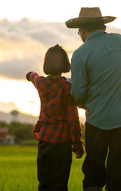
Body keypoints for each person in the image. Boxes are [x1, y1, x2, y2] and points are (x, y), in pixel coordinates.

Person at [65, 7, 121, 191]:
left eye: (79, 31)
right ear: (104, 26)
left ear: (81, 30)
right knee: (120, 171)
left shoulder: (80, 54)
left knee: (93, 172)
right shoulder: (120, 41)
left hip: (97, 120)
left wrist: (83, 102)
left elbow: (79, 94)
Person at [26, 44, 84, 191]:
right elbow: (73, 119)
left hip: (44, 140)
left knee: (44, 183)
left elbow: (34, 77)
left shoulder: (41, 83)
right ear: (65, 63)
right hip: (62, 142)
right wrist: (77, 143)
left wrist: (29, 74)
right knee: (60, 184)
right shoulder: (67, 87)